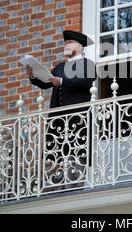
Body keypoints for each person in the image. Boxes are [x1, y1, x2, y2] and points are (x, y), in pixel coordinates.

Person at [26, 30, 96, 188]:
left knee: (77, 159)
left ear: (79, 47)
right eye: (65, 43)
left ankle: (75, 187)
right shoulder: (59, 67)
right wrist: (33, 76)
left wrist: (63, 82)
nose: (65, 46)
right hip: (59, 121)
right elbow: (46, 82)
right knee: (60, 158)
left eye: (69, 43)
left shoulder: (87, 64)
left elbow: (85, 81)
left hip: (78, 121)